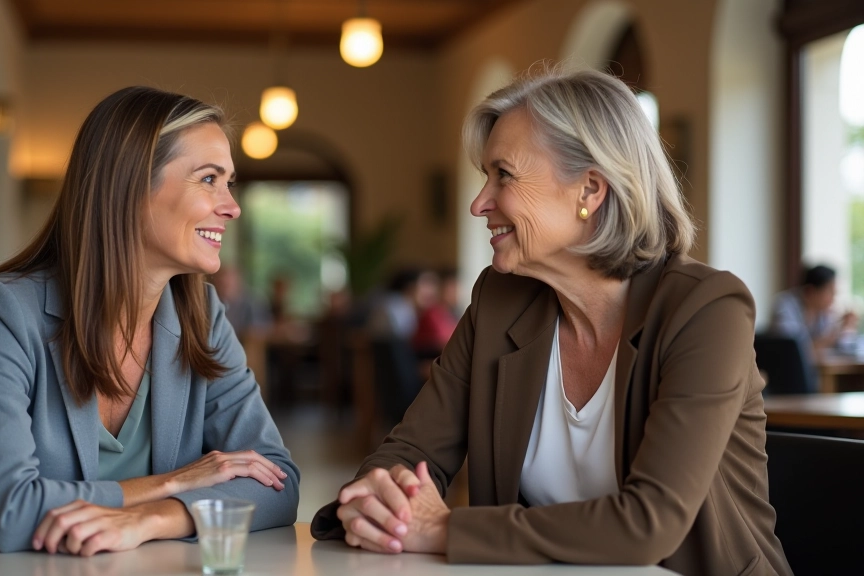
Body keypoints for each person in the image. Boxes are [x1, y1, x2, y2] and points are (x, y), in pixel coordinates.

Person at [311, 67, 790, 575]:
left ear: (589, 190)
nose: (479, 203)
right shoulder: (500, 301)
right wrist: (383, 501)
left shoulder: (705, 310)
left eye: (504, 175)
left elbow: (649, 523)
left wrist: (444, 530)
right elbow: (408, 451)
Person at [0, 87, 299, 556]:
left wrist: (149, 519)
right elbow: (8, 512)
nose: (231, 206)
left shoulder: (203, 315)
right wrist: (172, 482)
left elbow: (278, 482)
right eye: (208, 179)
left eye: (229, 183)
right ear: (129, 186)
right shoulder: (2, 313)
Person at [770, 264, 858, 363]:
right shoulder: (785, 306)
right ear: (810, 291)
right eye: (830, 292)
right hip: (786, 368)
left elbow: (839, 345)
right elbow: (794, 349)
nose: (832, 299)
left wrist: (844, 328)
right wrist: (833, 335)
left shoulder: (822, 313)